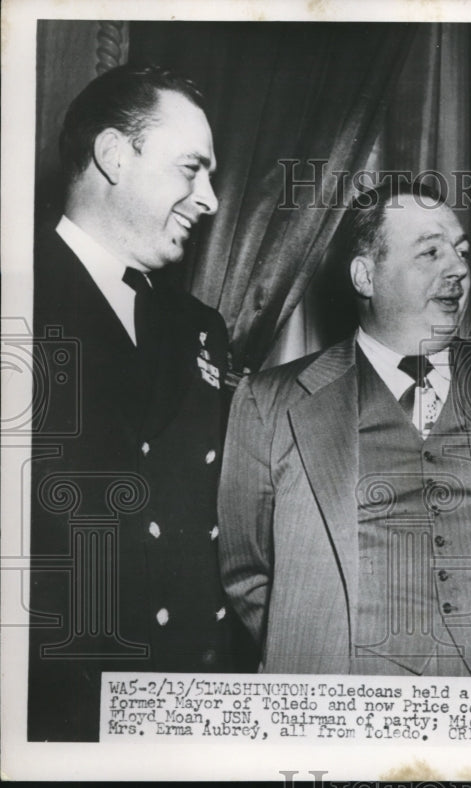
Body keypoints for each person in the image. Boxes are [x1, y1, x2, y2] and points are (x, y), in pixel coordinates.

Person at [218, 181, 471, 677]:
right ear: (365, 275)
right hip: (346, 707)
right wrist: (317, 645)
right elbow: (246, 572)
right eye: (430, 252)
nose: (459, 268)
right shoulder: (268, 402)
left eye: (461, 252)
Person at [30, 64, 231, 741]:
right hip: (52, 708)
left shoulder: (203, 327)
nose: (209, 199)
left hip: (185, 702)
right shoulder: (18, 301)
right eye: (191, 170)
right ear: (115, 156)